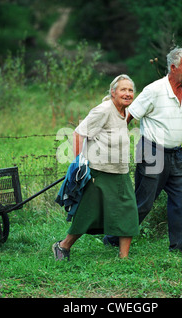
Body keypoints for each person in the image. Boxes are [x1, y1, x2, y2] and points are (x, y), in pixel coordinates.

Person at [104, 47, 182, 253]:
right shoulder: (154, 90)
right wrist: (113, 141)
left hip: (177, 155)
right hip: (151, 151)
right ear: (174, 67)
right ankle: (113, 237)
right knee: (143, 203)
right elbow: (129, 116)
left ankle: (181, 248)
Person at [52, 74, 139, 260]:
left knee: (128, 210)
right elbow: (78, 133)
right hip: (98, 172)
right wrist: (79, 163)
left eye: (130, 90)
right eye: (123, 89)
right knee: (88, 214)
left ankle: (124, 258)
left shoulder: (124, 112)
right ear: (113, 92)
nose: (128, 93)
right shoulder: (104, 109)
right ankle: (63, 246)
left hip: (120, 172)